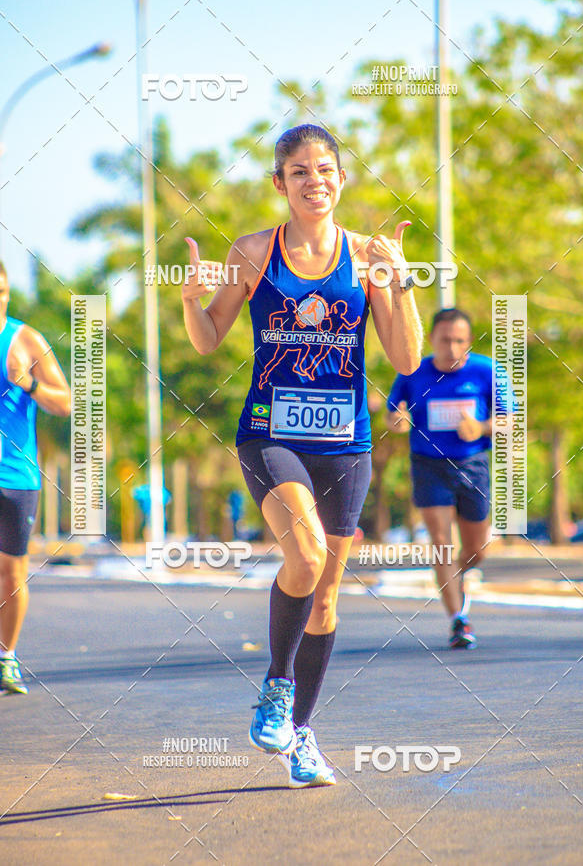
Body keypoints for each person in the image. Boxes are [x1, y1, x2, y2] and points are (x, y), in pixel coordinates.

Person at [182, 124, 422, 787]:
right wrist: (189, 302)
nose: (314, 179)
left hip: (345, 443)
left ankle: (303, 737)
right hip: (271, 433)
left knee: (325, 601)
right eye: (298, 171)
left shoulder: (366, 258)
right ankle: (277, 685)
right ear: (280, 184)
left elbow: (404, 359)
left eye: (324, 169)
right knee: (306, 557)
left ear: (341, 179)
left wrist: (398, 283)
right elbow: (207, 340)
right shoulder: (257, 251)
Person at [386, 307, 511, 650]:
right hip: (429, 465)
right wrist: (397, 421)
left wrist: (482, 427)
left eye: (459, 341)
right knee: (441, 543)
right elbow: (392, 415)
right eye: (445, 340)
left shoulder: (487, 371)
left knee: (476, 550)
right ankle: (459, 621)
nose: (452, 348)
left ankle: (460, 577)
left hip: (472, 465)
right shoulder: (414, 372)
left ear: (469, 342)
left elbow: (510, 421)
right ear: (432, 340)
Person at [0, 262, 71, 693]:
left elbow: (64, 402)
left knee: (11, 573)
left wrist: (27, 384)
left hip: (15, 475)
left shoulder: (25, 339)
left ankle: (6, 657)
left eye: (2, 289)